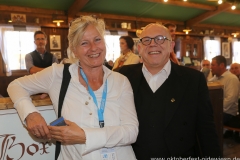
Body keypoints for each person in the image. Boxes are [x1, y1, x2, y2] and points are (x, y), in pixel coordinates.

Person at [8, 16, 138, 160]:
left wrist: (84, 136)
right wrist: (30, 114)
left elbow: (131, 132)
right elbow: (15, 86)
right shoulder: (58, 74)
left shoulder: (121, 81)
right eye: (84, 43)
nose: (93, 48)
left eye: (97, 39)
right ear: (74, 51)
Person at [118, 23, 221, 159]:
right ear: (139, 48)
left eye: (160, 39)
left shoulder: (193, 80)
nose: (153, 44)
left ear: (171, 46)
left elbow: (206, 129)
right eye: (147, 40)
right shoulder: (122, 76)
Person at [210, 56, 240, 142]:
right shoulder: (214, 79)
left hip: (228, 113)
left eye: (213, 65)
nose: (211, 67)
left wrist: (215, 110)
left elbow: (231, 99)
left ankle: (213, 147)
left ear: (222, 65)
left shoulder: (231, 79)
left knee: (206, 120)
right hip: (217, 110)